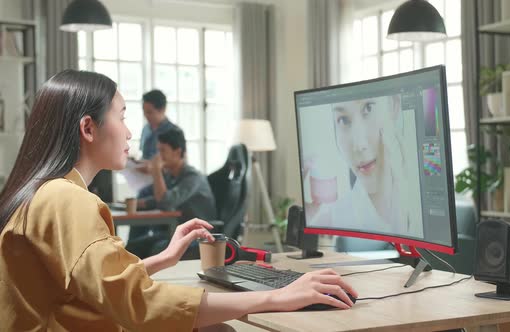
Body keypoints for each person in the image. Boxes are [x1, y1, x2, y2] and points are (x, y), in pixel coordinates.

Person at [0, 70, 357, 331]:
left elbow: (87, 285)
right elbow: (137, 304)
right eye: (122, 117)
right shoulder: (66, 199)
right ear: (88, 128)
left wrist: (161, 259)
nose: (128, 132)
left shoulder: (44, 193)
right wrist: (274, 297)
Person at [303, 95, 424, 238]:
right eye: (343, 120)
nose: (359, 145)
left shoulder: (423, 207)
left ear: (394, 106)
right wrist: (309, 226)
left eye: (368, 108)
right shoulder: (330, 220)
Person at [126, 128, 217, 258]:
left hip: (197, 236)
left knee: (157, 249)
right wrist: (138, 204)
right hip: (176, 232)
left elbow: (165, 202)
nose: (158, 156)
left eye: (163, 150)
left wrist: (156, 170)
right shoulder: (171, 175)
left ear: (178, 152)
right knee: (133, 247)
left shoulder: (192, 177)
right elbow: (159, 199)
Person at [139, 89, 180, 161]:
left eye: (149, 112)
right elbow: (144, 155)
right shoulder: (146, 129)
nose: (145, 115)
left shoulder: (175, 132)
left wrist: (151, 167)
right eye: (144, 111)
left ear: (162, 109)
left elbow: (179, 165)